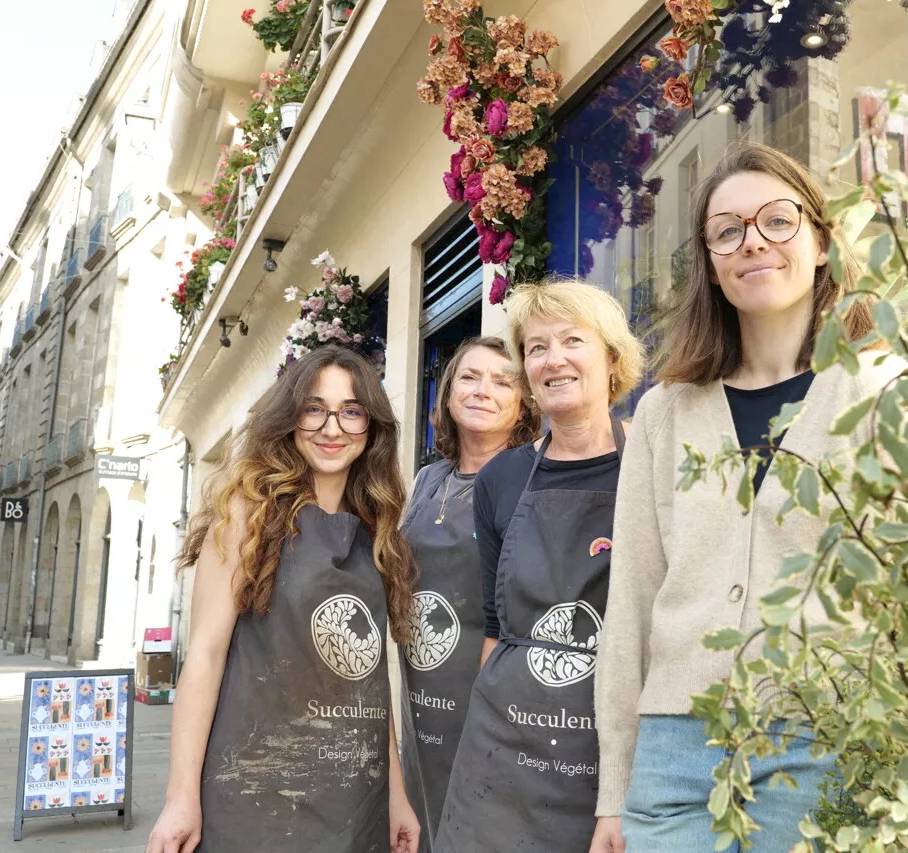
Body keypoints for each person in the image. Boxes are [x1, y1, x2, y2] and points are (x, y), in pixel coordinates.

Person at [592, 141, 898, 853]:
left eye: (778, 220)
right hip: (675, 755)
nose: (752, 240)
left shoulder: (884, 390)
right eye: (727, 230)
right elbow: (631, 599)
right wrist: (616, 787)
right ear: (711, 262)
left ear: (820, 242)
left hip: (826, 740)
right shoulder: (666, 411)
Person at [145, 344, 420, 853]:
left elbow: (367, 680)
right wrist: (180, 796)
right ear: (290, 419)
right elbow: (204, 657)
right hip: (256, 793)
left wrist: (396, 796)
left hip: (355, 801)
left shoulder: (377, 534)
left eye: (351, 411)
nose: (332, 428)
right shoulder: (247, 515)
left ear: (371, 428)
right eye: (315, 408)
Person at [433, 281, 646, 853]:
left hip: (608, 746)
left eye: (572, 341)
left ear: (611, 358)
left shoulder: (651, 463)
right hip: (502, 748)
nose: (553, 360)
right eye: (536, 348)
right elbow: (495, 625)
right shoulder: (500, 479)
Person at [398, 336, 540, 852]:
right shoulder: (425, 480)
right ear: (447, 391)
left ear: (524, 402)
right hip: (420, 704)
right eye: (469, 377)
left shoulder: (533, 478)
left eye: (503, 382)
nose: (483, 391)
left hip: (491, 699)